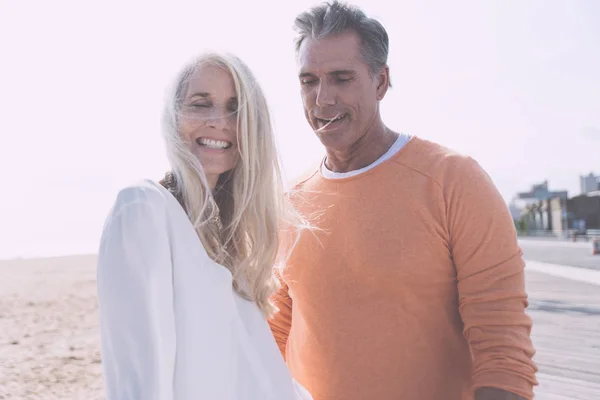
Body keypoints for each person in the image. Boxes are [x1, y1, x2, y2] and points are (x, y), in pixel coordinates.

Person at [268, 1, 538, 399]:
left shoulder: (454, 180)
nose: (322, 99)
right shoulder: (290, 201)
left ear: (380, 82)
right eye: (309, 81)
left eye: (342, 78)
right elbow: (276, 332)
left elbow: (503, 347)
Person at [96, 52, 313, 400]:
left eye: (234, 107)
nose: (219, 121)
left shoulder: (234, 247)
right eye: (200, 104)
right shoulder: (143, 208)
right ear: (174, 116)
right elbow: (139, 382)